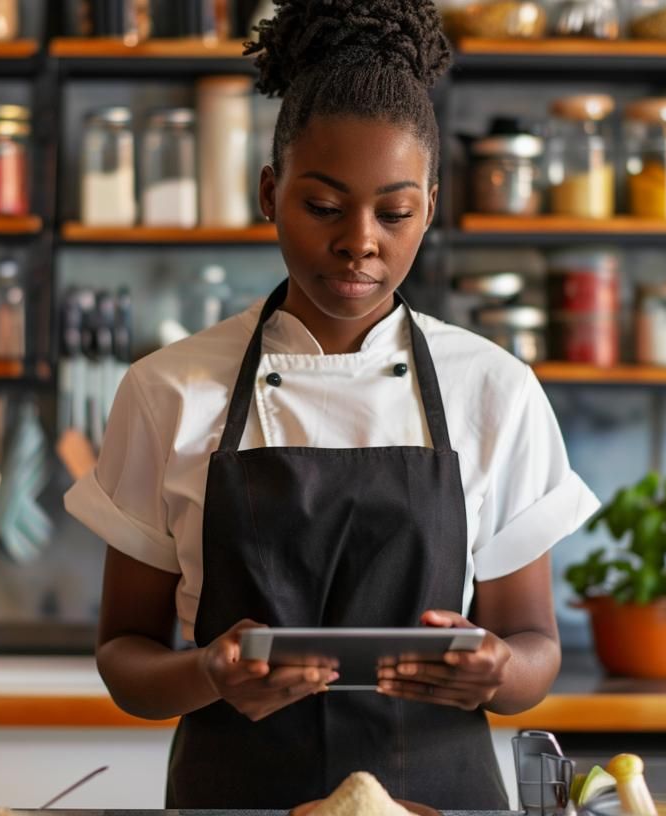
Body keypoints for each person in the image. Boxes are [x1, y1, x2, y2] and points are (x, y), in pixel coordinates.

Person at [64, 0, 599, 808]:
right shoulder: (166, 389)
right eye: (322, 206)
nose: (360, 241)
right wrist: (206, 673)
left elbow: (535, 653)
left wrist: (498, 671)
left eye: (395, 212)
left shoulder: (494, 389)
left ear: (431, 205)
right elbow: (124, 658)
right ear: (269, 194)